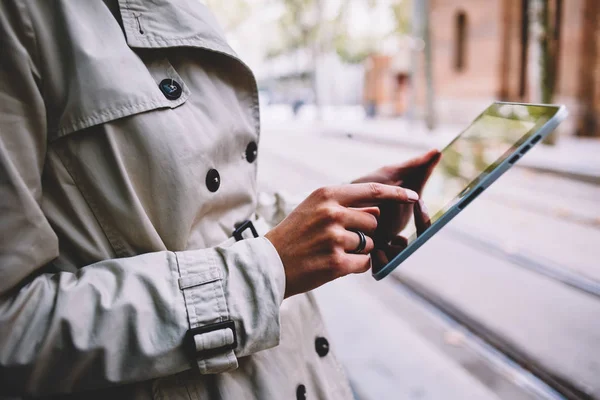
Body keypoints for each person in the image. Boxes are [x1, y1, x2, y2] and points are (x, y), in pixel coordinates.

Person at [0, 1, 440, 399]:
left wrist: (340, 215)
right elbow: (10, 328)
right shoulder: (22, 17)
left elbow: (214, 215)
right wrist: (267, 271)